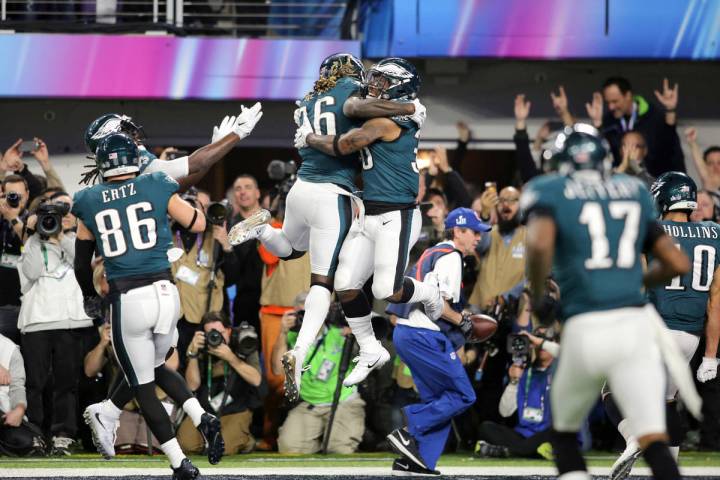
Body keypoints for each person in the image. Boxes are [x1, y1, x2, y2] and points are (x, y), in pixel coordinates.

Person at [229, 53, 427, 401]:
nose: (372, 84)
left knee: (290, 248)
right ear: (349, 73)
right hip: (332, 194)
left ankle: (263, 228)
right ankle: (301, 350)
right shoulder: (351, 91)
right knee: (324, 281)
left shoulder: (309, 98)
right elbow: (355, 111)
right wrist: (408, 109)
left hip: (300, 189)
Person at [521, 123, 695, 480]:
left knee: (564, 435)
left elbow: (538, 244)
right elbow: (677, 263)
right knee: (653, 440)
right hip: (635, 324)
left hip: (587, 322)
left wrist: (538, 297)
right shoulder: (633, 191)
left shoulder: (549, 189)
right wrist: (632, 282)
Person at [71, 133, 220, 479]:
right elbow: (198, 223)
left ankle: (178, 462)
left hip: (129, 296)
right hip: (168, 293)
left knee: (142, 383)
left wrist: (90, 297)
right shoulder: (155, 183)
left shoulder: (88, 198)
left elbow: (82, 264)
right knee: (153, 368)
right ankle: (197, 416)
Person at [295, 57, 444, 390]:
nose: (373, 85)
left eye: (382, 80)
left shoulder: (388, 122)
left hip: (398, 214)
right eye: (373, 78)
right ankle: (370, 349)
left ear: (399, 86)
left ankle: (429, 291)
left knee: (385, 290)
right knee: (345, 283)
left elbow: (346, 144)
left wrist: (310, 138)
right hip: (369, 213)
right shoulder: (389, 113)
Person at [603, 172, 720, 480]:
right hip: (690, 338)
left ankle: (633, 438)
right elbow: (715, 301)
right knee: (667, 401)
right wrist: (710, 356)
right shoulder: (714, 232)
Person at [384, 207, 489, 476]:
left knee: (441, 401)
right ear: (458, 231)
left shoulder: (431, 252)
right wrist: (463, 322)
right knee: (463, 395)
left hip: (408, 333)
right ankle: (409, 429)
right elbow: (439, 307)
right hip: (423, 334)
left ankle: (415, 462)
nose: (478, 238)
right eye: (474, 232)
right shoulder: (451, 256)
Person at [17, 193, 93, 455]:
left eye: (58, 214)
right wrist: (37, 235)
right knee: (35, 383)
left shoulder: (75, 241)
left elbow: (83, 264)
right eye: (48, 216)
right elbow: (32, 271)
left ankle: (63, 435)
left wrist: (62, 235)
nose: (52, 220)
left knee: (66, 383)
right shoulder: (32, 243)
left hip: (69, 321)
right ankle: (35, 433)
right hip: (37, 321)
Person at [81, 105, 263, 188]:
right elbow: (193, 166)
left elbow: (179, 184)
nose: (134, 134)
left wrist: (215, 149)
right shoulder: (135, 168)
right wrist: (237, 134)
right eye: (127, 130)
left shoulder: (105, 180)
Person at [272, 297, 365, 454]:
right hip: (309, 404)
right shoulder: (291, 338)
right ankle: (320, 442)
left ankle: (340, 438)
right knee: (290, 448)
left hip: (343, 401)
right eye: (302, 313)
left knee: (338, 450)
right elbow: (277, 370)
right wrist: (282, 333)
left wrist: (358, 336)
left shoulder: (340, 332)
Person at [180, 312, 264, 456]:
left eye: (220, 332)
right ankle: (216, 437)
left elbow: (256, 379)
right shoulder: (200, 346)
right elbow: (192, 385)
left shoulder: (243, 341)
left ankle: (246, 439)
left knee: (223, 449)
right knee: (186, 445)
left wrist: (231, 358)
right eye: (210, 333)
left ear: (229, 330)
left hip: (236, 408)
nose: (215, 337)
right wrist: (193, 355)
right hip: (205, 408)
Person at [475, 328, 558, 459]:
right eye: (538, 339)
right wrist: (514, 382)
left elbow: (567, 354)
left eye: (547, 340)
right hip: (523, 435)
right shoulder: (525, 372)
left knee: (554, 434)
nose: (542, 345)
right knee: (486, 428)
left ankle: (504, 451)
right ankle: (532, 451)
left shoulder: (562, 370)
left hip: (548, 433)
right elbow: (505, 412)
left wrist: (539, 341)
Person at [586, 77, 684, 177]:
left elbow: (670, 140)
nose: (611, 107)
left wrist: (670, 109)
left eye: (615, 101)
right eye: (608, 102)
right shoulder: (608, 121)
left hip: (657, 182)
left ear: (628, 95)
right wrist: (597, 123)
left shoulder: (653, 116)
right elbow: (603, 152)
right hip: (622, 184)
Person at [470, 186, 526, 309]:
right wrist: (485, 215)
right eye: (502, 200)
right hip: (479, 308)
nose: (506, 204)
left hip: (512, 311)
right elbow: (479, 247)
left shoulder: (530, 237)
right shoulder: (490, 232)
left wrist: (505, 298)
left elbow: (532, 278)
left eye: (512, 200)